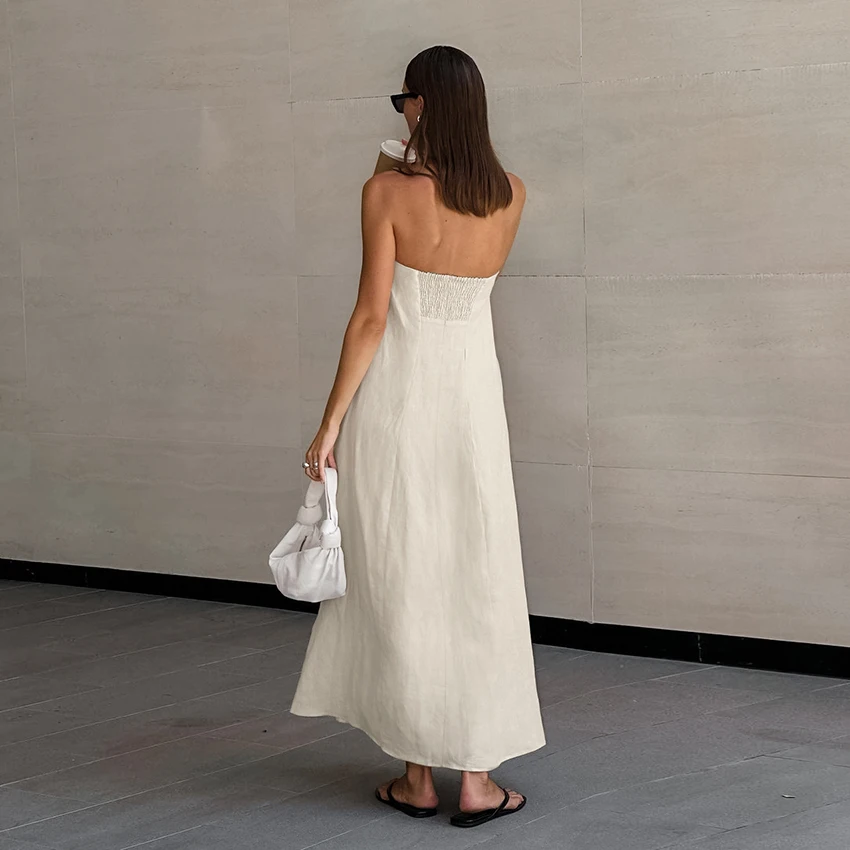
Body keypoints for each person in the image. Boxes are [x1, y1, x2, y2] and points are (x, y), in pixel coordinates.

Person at [290, 44, 546, 829]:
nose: (398, 109)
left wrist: (330, 422)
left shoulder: (384, 192)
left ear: (422, 104)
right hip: (472, 409)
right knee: (475, 574)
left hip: (397, 406)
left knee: (404, 574)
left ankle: (416, 778)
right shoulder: (511, 194)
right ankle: (478, 781)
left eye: (402, 98)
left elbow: (372, 317)